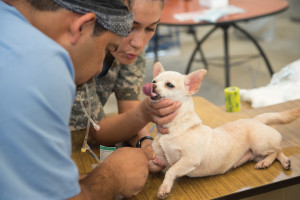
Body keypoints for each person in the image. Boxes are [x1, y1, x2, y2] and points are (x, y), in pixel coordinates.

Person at [0, 0, 170, 199]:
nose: (99, 69)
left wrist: (144, 139)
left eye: (151, 28)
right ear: (81, 26)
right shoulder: (42, 66)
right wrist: (114, 177)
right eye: (107, 48)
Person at [70, 0, 180, 172]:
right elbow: (99, 131)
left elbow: (129, 105)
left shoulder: (130, 51)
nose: (139, 43)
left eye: (150, 28)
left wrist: (145, 142)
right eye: (129, 27)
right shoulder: (78, 55)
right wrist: (145, 112)